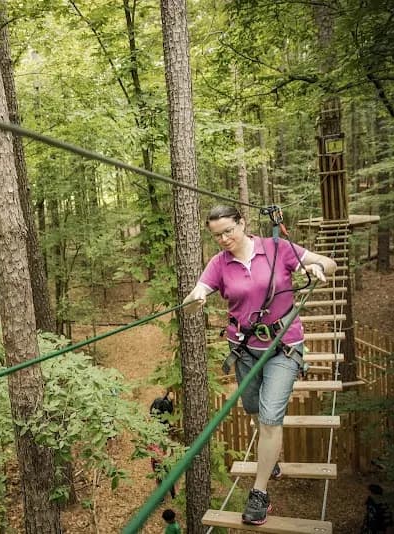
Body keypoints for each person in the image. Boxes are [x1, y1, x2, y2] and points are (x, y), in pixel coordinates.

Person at [182, 205, 336, 525]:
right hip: (244, 349)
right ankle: (271, 459)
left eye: (228, 230)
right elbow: (198, 293)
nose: (223, 239)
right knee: (252, 408)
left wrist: (321, 266)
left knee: (269, 417)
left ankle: (260, 493)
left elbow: (326, 262)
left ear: (242, 223)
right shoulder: (219, 264)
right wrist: (194, 298)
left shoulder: (277, 248)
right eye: (217, 235)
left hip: (284, 347)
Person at [148, 391, 177, 500]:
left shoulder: (152, 434)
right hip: (162, 458)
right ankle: (172, 494)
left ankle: (163, 496)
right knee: (168, 475)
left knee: (160, 477)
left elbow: (150, 448)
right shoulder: (162, 436)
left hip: (157, 458)